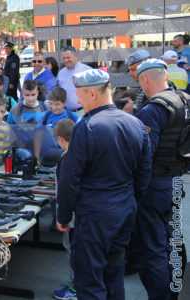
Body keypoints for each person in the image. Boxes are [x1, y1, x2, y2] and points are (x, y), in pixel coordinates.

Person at [56, 69, 151, 299]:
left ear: (91, 94)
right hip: (123, 210)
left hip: (95, 216)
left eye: (79, 94)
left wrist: (63, 216)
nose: (77, 100)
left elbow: (70, 178)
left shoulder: (86, 127)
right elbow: (144, 172)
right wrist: (130, 201)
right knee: (114, 272)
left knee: (89, 279)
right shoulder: (135, 124)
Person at [133, 58, 188, 300]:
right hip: (176, 181)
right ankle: (176, 290)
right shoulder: (184, 100)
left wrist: (137, 190)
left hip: (154, 185)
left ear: (145, 79)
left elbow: (144, 156)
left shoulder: (153, 109)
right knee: (172, 239)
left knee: (152, 249)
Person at [51, 118, 77, 300]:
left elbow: (64, 192)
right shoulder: (83, 154)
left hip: (72, 217)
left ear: (60, 139)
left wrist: (62, 217)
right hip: (84, 215)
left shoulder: (65, 159)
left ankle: (75, 288)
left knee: (73, 252)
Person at [34, 86, 78, 167]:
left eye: (57, 104)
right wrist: (37, 158)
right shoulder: (44, 117)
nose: (54, 107)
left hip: (66, 157)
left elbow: (77, 138)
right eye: (51, 104)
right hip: (47, 157)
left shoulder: (72, 116)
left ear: (64, 102)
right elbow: (38, 138)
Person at [7, 80, 47, 162]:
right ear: (22, 94)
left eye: (33, 94)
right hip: (22, 152)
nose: (30, 98)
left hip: (42, 151)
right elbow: (9, 129)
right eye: (27, 95)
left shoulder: (45, 108)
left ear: (38, 93)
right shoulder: (15, 109)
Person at [56, 46, 92, 113]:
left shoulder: (86, 70)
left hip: (82, 111)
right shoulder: (61, 73)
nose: (66, 60)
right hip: (65, 112)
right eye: (64, 58)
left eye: (68, 58)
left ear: (76, 55)